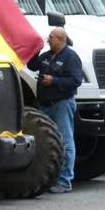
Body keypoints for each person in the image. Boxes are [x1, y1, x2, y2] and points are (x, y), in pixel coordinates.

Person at [27, 27, 85, 193]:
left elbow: (76, 80)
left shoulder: (71, 57)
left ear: (60, 39)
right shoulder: (47, 55)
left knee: (65, 141)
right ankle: (48, 178)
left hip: (62, 104)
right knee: (46, 141)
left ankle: (65, 181)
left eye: (51, 37)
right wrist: (35, 49)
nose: (48, 39)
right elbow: (32, 65)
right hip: (45, 105)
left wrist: (54, 81)